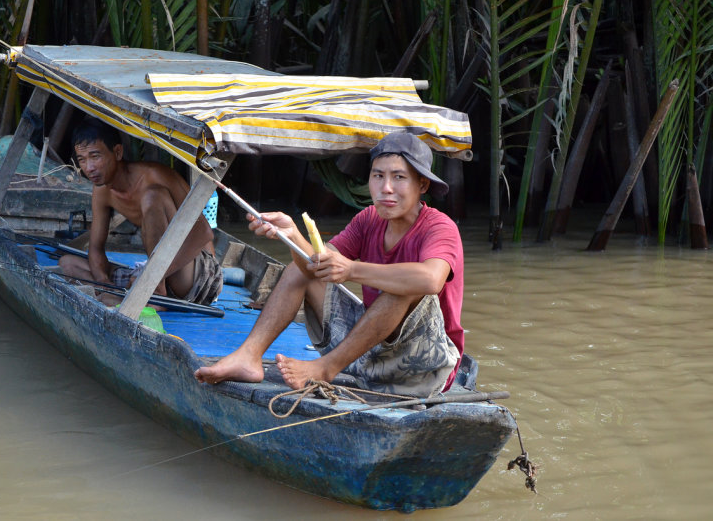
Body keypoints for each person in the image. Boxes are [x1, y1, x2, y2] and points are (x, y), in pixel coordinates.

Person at [194, 132, 464, 397]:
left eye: (399, 177)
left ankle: (325, 368)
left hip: (425, 368)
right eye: (378, 176)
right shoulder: (369, 219)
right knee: (298, 271)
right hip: (370, 353)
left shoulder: (439, 227)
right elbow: (316, 266)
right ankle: (248, 357)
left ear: (423, 186)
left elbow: (431, 279)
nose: (386, 188)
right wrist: (293, 235)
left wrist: (351, 269)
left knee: (404, 284)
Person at [59, 119, 222, 306]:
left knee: (152, 196)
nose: (89, 168)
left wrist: (150, 276)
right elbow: (95, 249)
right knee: (68, 264)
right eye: (82, 159)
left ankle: (154, 295)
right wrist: (103, 282)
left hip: (198, 277)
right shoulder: (102, 190)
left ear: (118, 152)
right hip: (156, 272)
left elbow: (203, 234)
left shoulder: (155, 176)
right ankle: (134, 293)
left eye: (95, 157)